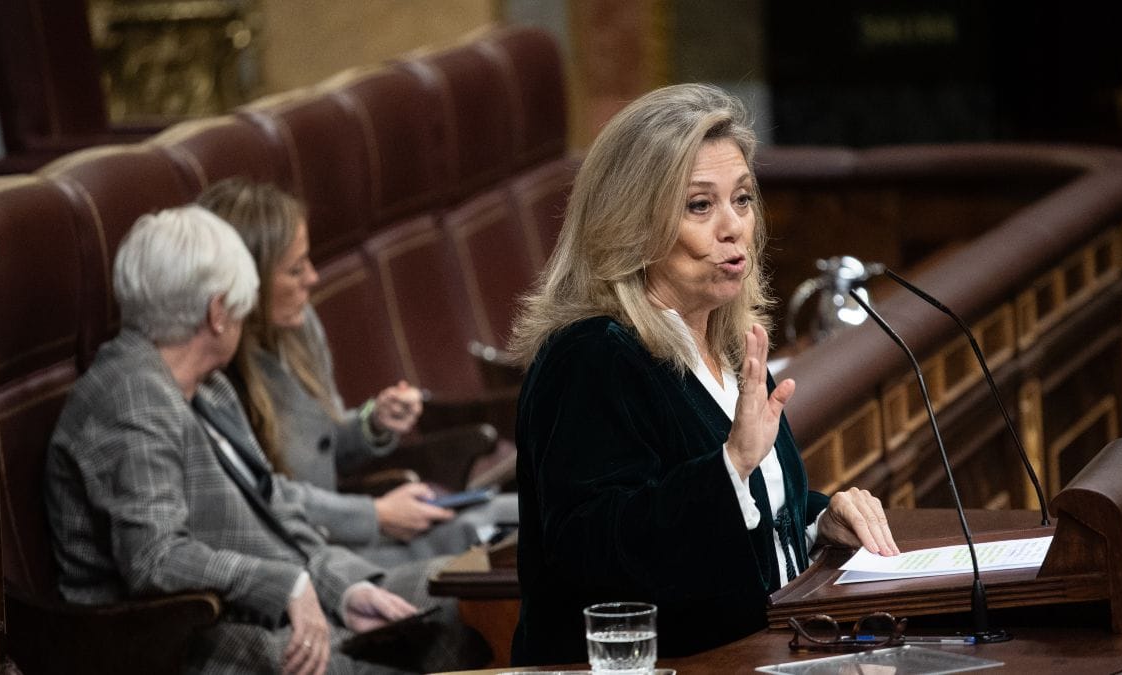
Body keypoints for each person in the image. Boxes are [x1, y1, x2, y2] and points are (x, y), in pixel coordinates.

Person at [506, 83, 900, 665]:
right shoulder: (592, 356)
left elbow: (740, 507)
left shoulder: (724, 341)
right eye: (699, 206)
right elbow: (592, 552)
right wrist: (729, 465)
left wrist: (817, 519)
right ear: (631, 223)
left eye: (742, 200)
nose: (732, 226)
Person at [45, 205, 489, 674]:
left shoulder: (207, 385)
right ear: (218, 313)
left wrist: (344, 591)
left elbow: (270, 501)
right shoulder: (132, 396)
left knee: (468, 602)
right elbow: (155, 559)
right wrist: (286, 585)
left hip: (269, 606)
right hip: (179, 641)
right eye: (240, 304)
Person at [196, 178, 515, 568]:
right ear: (251, 282)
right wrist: (375, 514)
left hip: (354, 527)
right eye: (296, 270)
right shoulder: (212, 370)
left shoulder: (298, 327)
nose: (313, 279)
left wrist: (373, 422)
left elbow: (323, 443)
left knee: (532, 515)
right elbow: (261, 499)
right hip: (315, 554)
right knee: (498, 556)